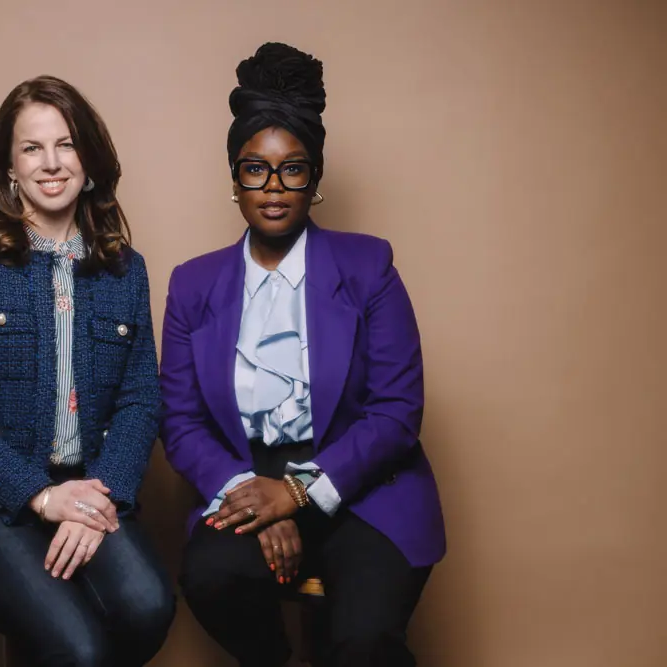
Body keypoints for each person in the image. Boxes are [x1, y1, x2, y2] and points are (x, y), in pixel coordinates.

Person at [159, 43, 446, 667]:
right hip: (245, 477)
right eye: (254, 169)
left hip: (364, 484)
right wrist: (255, 496)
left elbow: (397, 412)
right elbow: (180, 422)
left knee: (363, 640)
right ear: (234, 178)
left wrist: (296, 491)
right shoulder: (192, 284)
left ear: (314, 178)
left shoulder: (369, 266)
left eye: (293, 169)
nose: (273, 188)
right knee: (211, 578)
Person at [0, 75, 174, 667]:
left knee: (148, 604)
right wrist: (39, 495)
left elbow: (140, 400)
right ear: (9, 166)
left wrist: (97, 499)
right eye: (32, 148)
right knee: (75, 647)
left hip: (87, 486)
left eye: (67, 144)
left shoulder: (125, 270)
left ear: (90, 159)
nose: (51, 163)